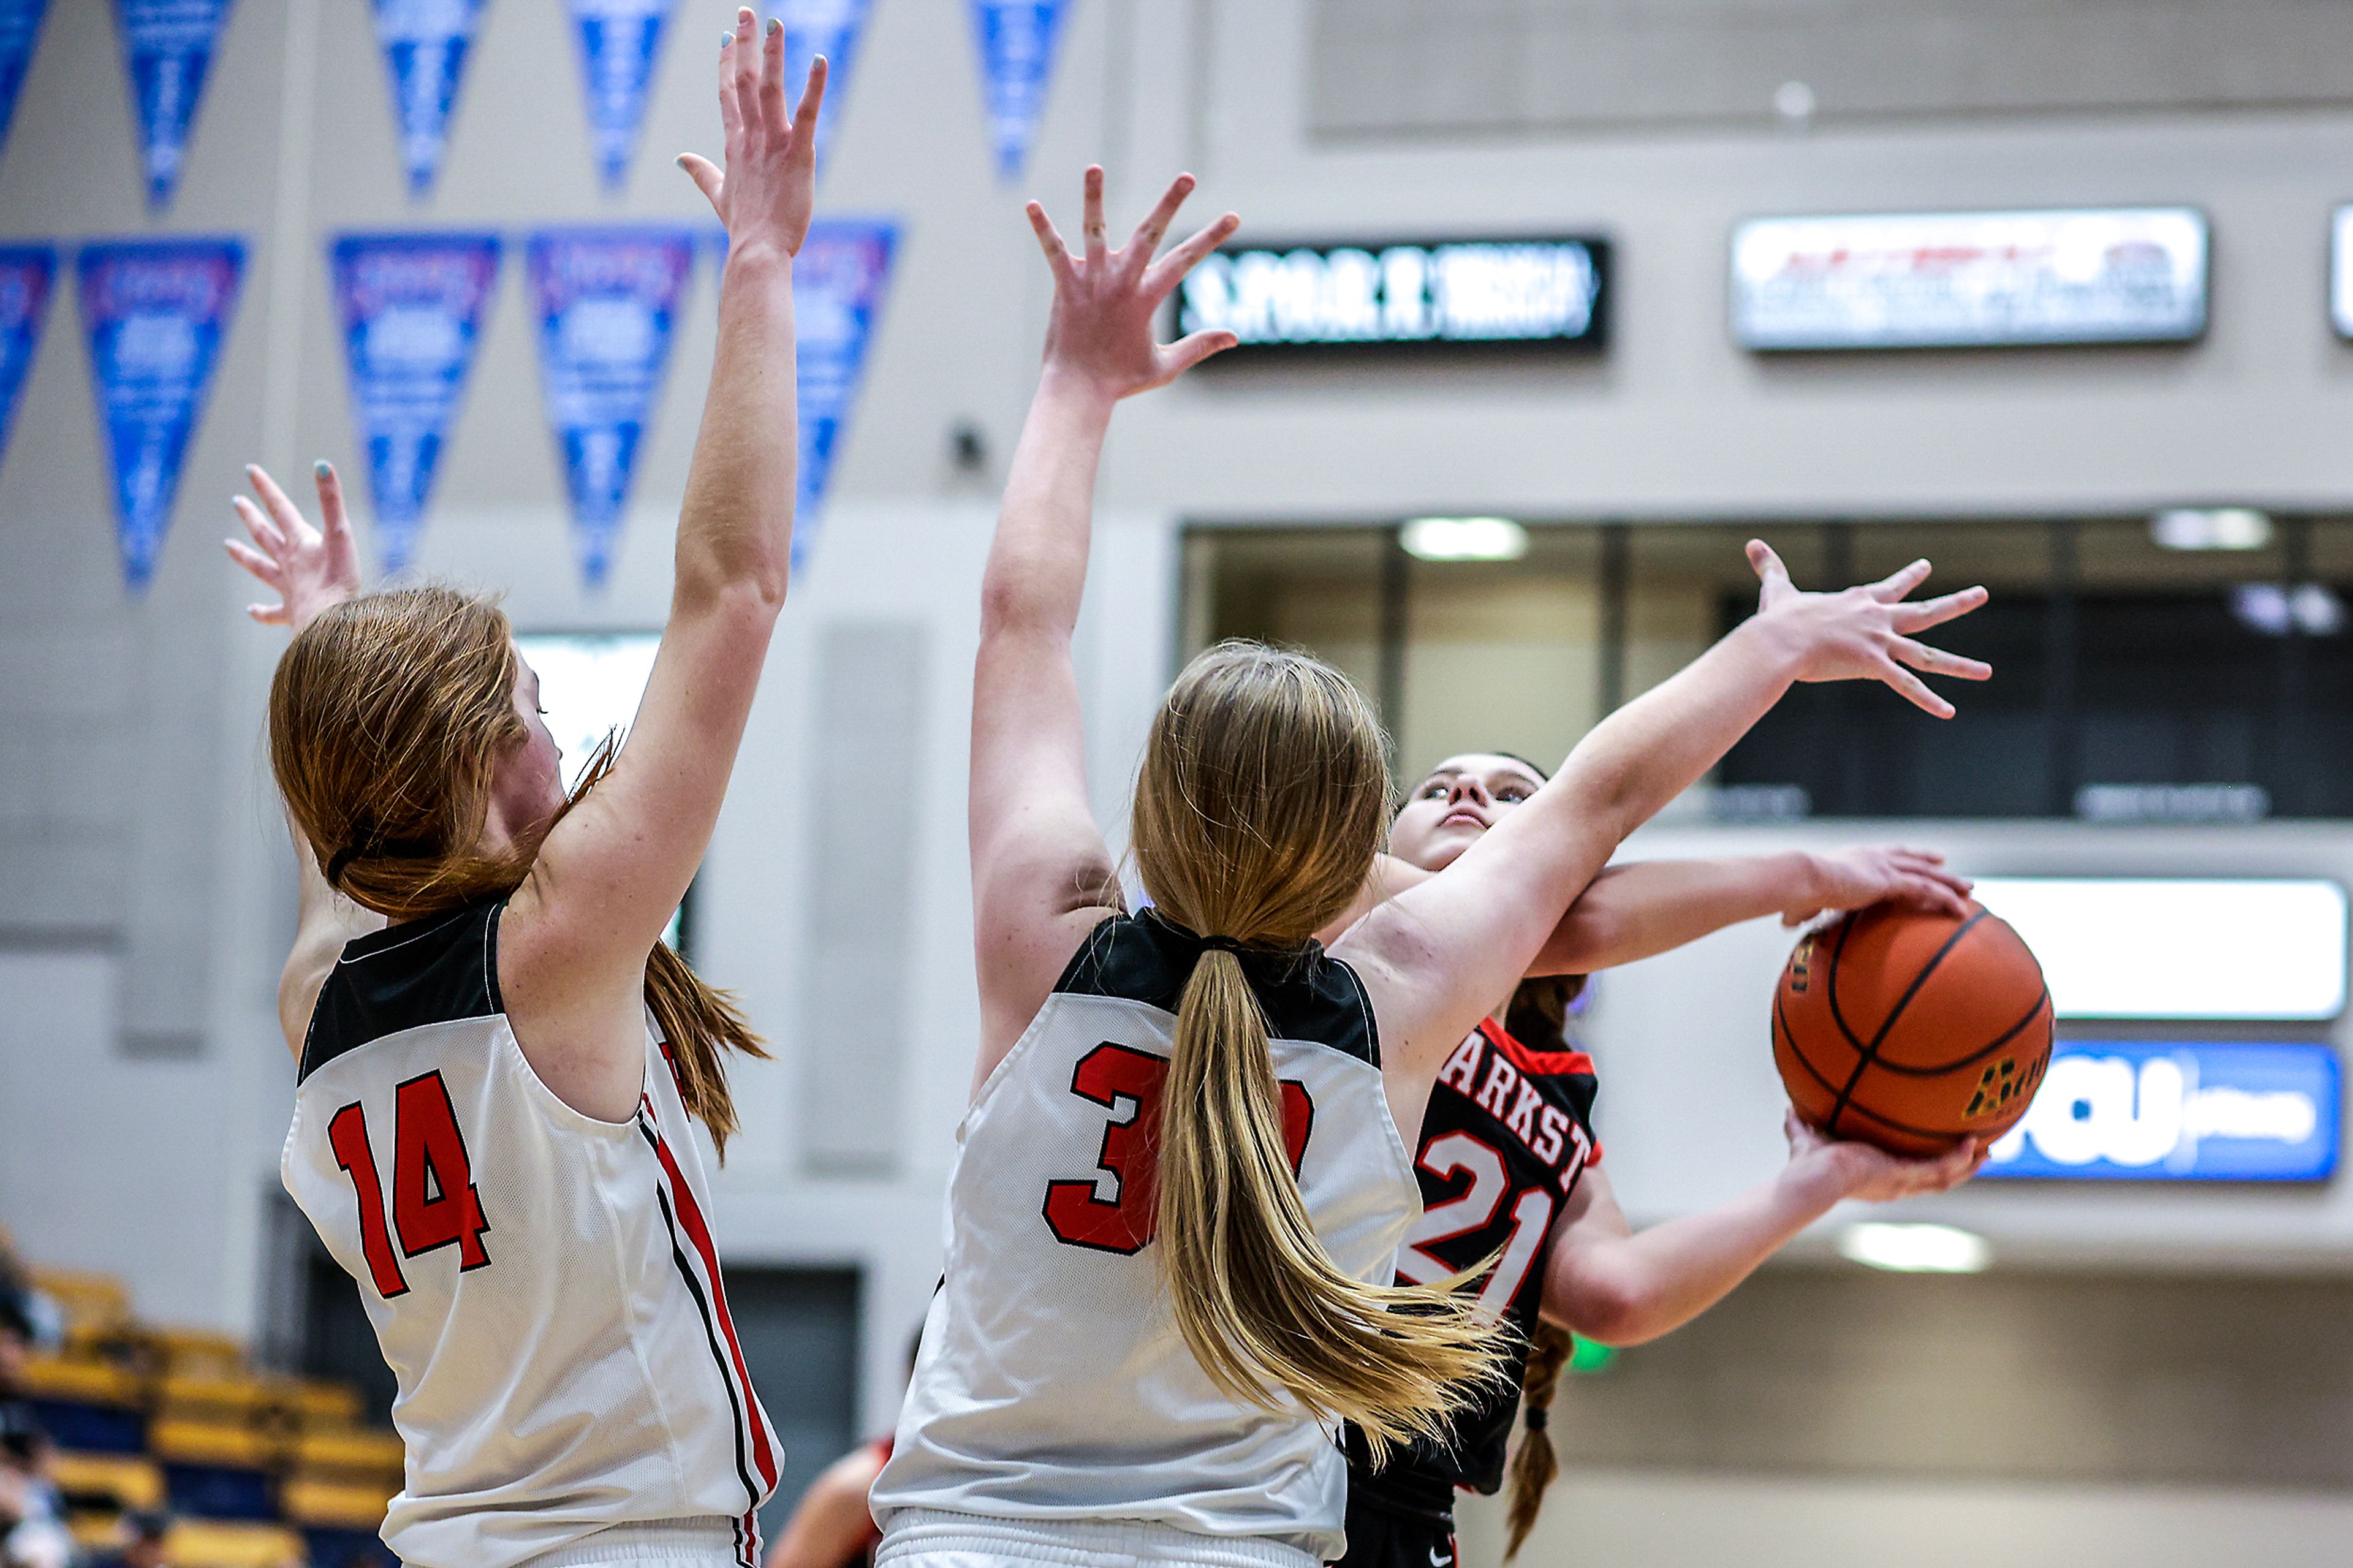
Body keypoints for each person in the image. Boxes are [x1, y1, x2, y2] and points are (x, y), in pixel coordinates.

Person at [867, 165, 1989, 1568]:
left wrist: (1076, 385)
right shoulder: (1405, 994)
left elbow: (1020, 620)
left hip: (981, 1540)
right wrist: (1770, 648)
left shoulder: (1044, 938)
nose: (1471, 804)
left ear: (1148, 814)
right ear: (1357, 853)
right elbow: (1602, 796)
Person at [225, 15, 824, 1568]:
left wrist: (328, 636)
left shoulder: (318, 995)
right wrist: (763, 264)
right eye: (542, 710)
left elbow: (340, 830)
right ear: (491, 760)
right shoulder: (559, 942)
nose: (564, 740)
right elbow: (735, 592)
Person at [1333, 752, 1993, 1568]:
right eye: (1436, 788)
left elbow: (1623, 1292)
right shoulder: (1337, 923)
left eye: (1513, 795)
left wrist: (1821, 1182)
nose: (1466, 793)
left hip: (1407, 1512)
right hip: (1275, 1443)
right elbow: (1591, 922)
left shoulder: (1556, 1109)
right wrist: (1800, 872)